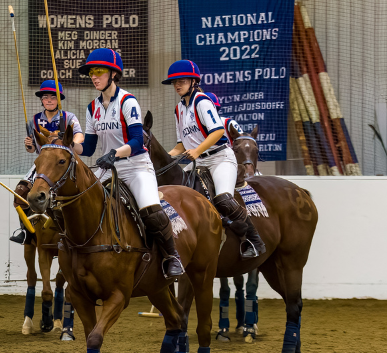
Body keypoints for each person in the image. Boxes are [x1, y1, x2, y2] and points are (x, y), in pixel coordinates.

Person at [74, 48, 184, 278]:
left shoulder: (127, 101)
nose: (93, 76)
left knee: (150, 209)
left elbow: (136, 140)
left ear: (113, 74)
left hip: (136, 167)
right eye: (91, 72)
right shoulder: (92, 108)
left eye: (99, 71)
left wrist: (114, 153)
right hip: (108, 168)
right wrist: (67, 145)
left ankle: (171, 256)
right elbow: (90, 148)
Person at [164, 60, 266, 259]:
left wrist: (197, 150)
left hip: (220, 158)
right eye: (174, 82)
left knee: (224, 199)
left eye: (182, 81)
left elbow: (218, 131)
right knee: (171, 192)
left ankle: (254, 239)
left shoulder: (201, 101)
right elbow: (180, 145)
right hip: (198, 161)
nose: (177, 85)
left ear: (194, 82)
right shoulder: (178, 109)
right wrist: (163, 160)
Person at [10, 79, 84, 244]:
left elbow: (79, 136)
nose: (49, 100)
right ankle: (26, 231)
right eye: (45, 97)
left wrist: (71, 142)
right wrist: (28, 145)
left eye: (53, 96)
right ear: (41, 100)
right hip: (44, 163)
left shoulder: (68, 117)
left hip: (65, 162)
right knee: (21, 192)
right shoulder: (35, 120)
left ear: (59, 99)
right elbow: (33, 149)